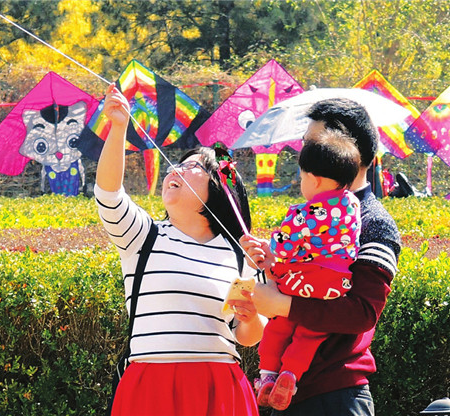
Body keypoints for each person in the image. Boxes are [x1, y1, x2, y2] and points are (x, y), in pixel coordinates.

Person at [95, 83, 265, 416]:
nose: (177, 170)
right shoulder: (143, 236)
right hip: (150, 387)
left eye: (194, 168)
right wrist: (118, 128)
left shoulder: (238, 254)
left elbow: (245, 336)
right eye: (178, 165)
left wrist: (251, 317)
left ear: (217, 191)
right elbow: (109, 195)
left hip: (219, 388)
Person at [241, 98, 402, 416]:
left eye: (310, 144)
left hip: (335, 395)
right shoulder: (316, 211)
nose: (303, 154)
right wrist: (270, 263)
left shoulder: (373, 220)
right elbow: (304, 275)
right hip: (291, 395)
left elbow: (361, 313)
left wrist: (282, 305)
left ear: (342, 148)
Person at [252, 129, 362, 410]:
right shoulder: (353, 204)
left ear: (315, 179)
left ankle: (267, 376)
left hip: (303, 279)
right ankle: (291, 373)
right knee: (310, 333)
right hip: (336, 282)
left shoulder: (304, 213)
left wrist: (270, 247)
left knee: (280, 324)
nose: (301, 183)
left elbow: (284, 248)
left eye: (301, 177)